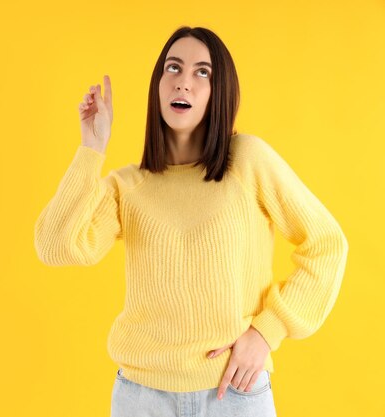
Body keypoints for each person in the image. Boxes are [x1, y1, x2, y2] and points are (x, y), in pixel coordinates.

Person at [34, 25, 348, 417]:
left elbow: (326, 244)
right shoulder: (129, 186)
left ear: (221, 92)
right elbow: (55, 246)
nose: (184, 83)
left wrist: (267, 332)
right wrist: (90, 149)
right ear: (158, 85)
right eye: (173, 68)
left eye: (202, 73)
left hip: (234, 392)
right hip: (142, 396)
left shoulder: (246, 161)